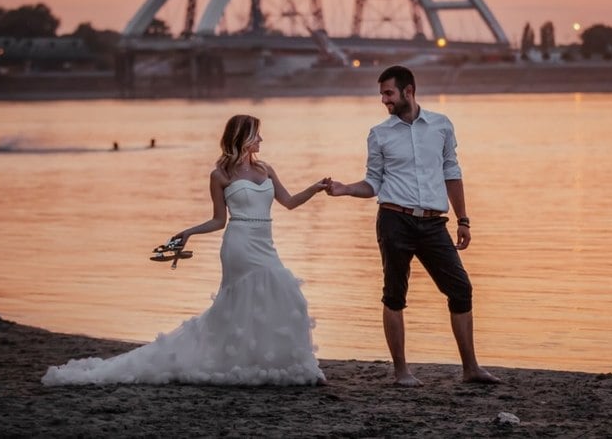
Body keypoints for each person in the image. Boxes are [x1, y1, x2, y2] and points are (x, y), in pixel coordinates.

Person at [42, 114, 329, 387]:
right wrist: (189, 231)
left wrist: (315, 188)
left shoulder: (266, 169)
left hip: (265, 241)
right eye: (257, 134)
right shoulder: (220, 174)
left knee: (283, 292)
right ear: (242, 137)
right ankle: (239, 360)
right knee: (244, 297)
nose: (261, 139)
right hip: (239, 243)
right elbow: (219, 220)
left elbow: (289, 202)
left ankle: (266, 360)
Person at [327, 65, 500, 386]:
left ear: (409, 91)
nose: (383, 100)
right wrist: (346, 189)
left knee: (460, 289)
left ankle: (471, 369)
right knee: (394, 294)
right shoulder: (379, 134)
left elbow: (452, 172)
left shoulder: (441, 126)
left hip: (435, 224)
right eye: (381, 94)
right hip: (394, 220)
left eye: (388, 93)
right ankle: (402, 372)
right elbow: (373, 183)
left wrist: (463, 220)